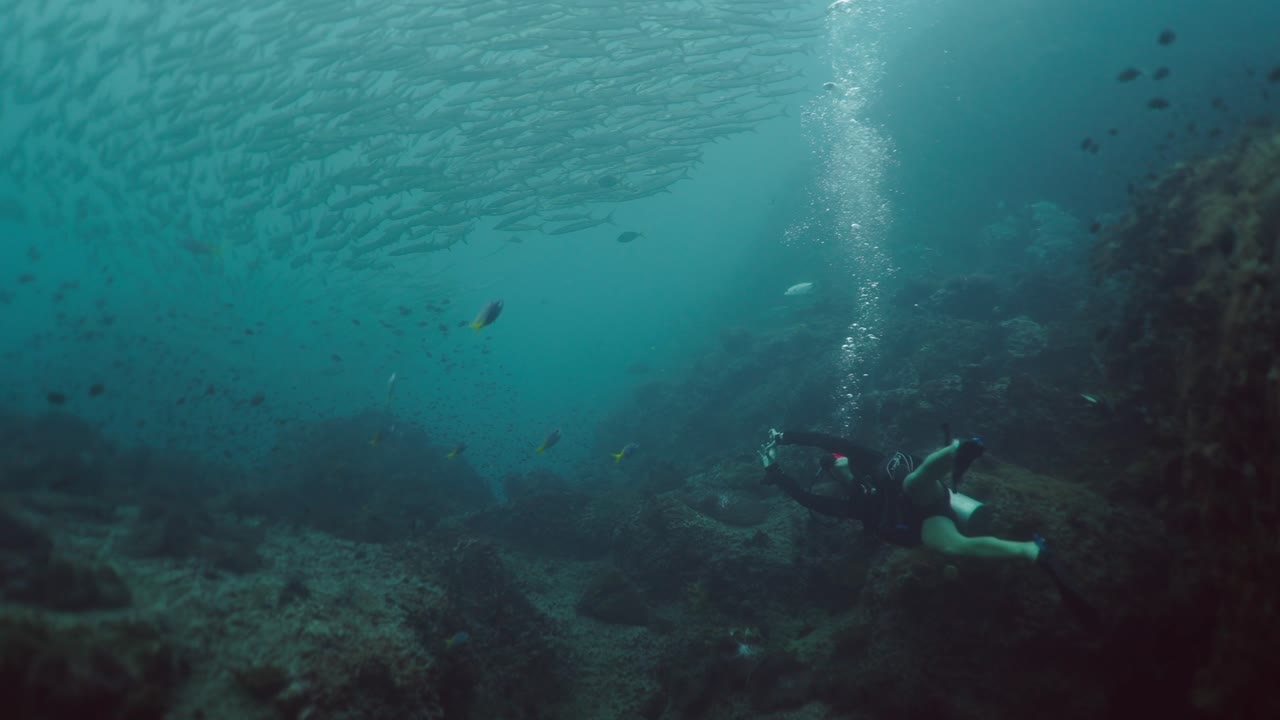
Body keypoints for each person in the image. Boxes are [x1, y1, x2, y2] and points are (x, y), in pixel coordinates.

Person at [758, 429, 1099, 626]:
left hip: (925, 494)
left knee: (915, 482)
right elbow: (807, 499)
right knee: (952, 547)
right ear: (832, 476)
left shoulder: (865, 459)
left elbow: (825, 438)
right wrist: (773, 472)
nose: (838, 465)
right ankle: (1033, 551)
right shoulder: (853, 507)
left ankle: (957, 450)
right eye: (832, 467)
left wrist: (784, 436)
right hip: (922, 523)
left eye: (836, 460)